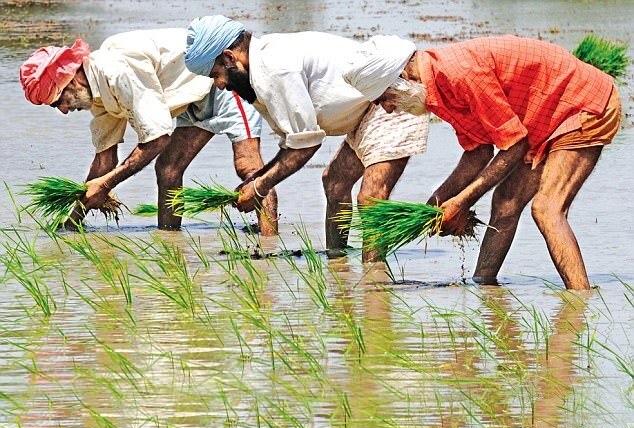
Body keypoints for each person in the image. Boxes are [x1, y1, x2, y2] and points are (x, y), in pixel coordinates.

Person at [344, 35, 621, 289]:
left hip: (583, 105)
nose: (390, 109)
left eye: (385, 99)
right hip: (541, 119)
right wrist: (435, 205)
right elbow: (478, 153)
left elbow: (514, 145)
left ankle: (579, 303)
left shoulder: (461, 74)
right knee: (505, 203)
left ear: (403, 77)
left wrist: (461, 201)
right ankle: (484, 287)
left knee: (548, 209)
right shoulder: (436, 90)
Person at [184, 15, 430, 261]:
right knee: (334, 182)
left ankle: (373, 280)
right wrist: (256, 180)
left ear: (229, 57)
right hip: (364, 110)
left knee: (371, 199)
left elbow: (305, 144)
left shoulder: (274, 68)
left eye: (216, 74)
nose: (219, 85)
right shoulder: (263, 65)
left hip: (391, 98)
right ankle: (337, 265)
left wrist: (259, 186)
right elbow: (295, 141)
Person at [19, 28, 278, 235]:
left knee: (248, 167)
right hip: (187, 98)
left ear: (71, 81)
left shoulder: (116, 70)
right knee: (168, 169)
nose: (63, 111)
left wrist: (107, 184)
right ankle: (170, 240)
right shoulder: (98, 97)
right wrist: (73, 220)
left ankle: (269, 246)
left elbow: (157, 138)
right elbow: (104, 160)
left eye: (58, 102)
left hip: (219, 78)